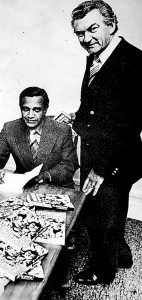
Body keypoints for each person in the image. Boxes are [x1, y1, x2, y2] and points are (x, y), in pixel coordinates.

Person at [70, 0, 142, 285]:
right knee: (110, 209)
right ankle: (120, 251)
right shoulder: (100, 53)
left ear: (112, 25)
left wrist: (102, 168)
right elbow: (98, 105)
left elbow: (129, 125)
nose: (86, 39)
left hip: (115, 158)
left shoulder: (134, 62)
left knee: (103, 212)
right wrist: (75, 118)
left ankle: (103, 269)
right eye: (79, 33)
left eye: (93, 28)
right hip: (99, 151)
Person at [0, 86, 79, 188]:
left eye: (37, 110)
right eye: (26, 109)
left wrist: (45, 176)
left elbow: (70, 164)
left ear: (45, 109)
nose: (30, 115)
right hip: (24, 188)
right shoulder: (10, 128)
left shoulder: (62, 130)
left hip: (56, 187)